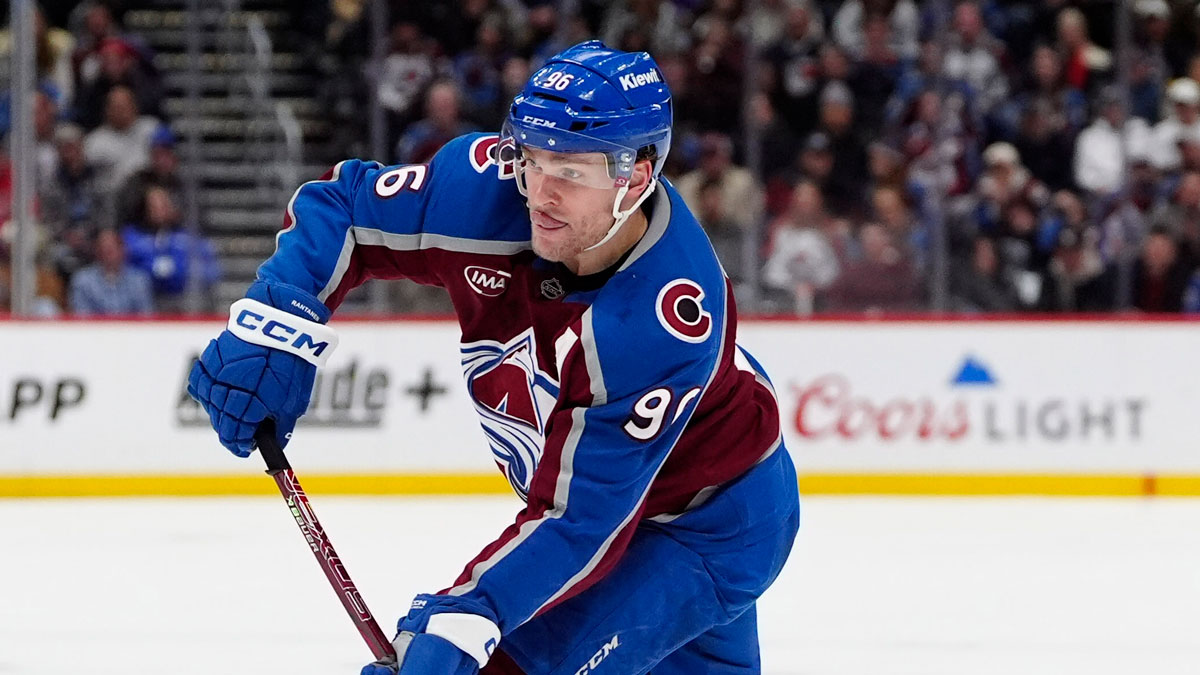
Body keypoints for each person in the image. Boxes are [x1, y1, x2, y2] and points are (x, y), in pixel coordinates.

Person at [186, 41, 799, 675]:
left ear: (634, 178)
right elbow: (344, 210)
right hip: (614, 514)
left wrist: (464, 613)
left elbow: (578, 519)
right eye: (531, 158)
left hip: (703, 528)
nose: (539, 192)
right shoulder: (485, 187)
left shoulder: (661, 319)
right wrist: (278, 321)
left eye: (570, 172)